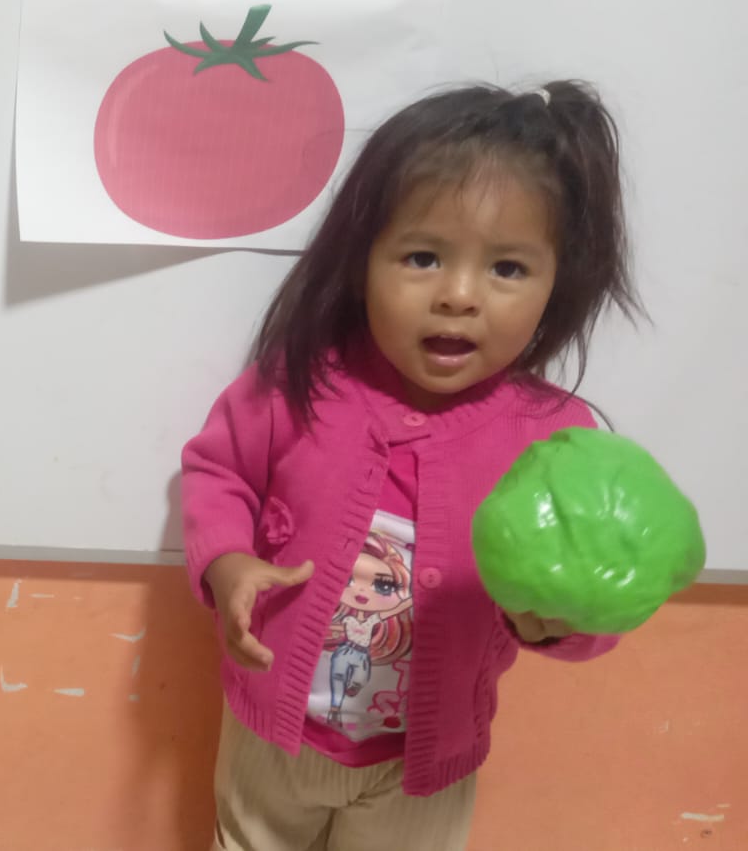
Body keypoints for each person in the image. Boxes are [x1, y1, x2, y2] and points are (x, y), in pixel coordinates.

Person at [180, 80, 641, 850]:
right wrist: (226, 563)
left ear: (559, 281)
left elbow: (594, 598)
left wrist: (564, 622)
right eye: (423, 257)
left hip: (423, 767)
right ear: (363, 261)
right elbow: (216, 471)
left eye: (508, 269)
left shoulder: (557, 442)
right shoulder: (301, 382)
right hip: (271, 735)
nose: (458, 296)